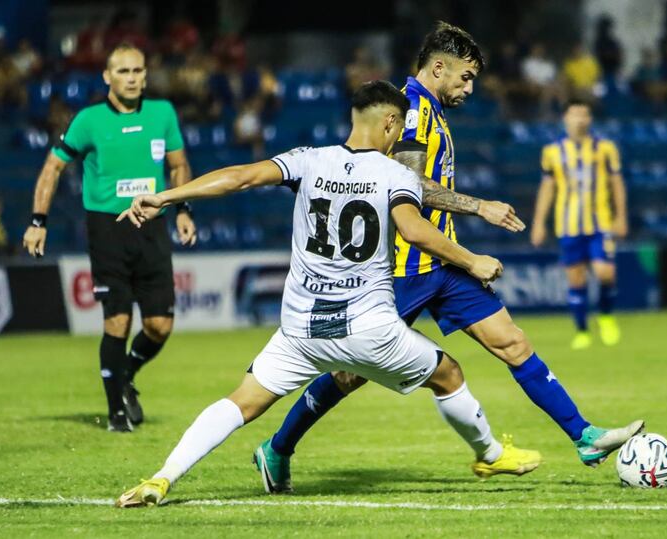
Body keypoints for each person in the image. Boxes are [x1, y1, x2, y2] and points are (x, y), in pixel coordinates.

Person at [252, 22, 644, 494]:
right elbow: (409, 188)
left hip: (443, 266)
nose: (470, 87)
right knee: (348, 374)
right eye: (465, 77)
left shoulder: (429, 109)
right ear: (438, 67)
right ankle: (277, 448)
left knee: (512, 343)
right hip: (400, 268)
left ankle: (584, 435)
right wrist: (480, 206)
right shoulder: (410, 111)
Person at [115, 80, 542, 507]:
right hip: (369, 329)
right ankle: (489, 455)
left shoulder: (309, 160)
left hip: (301, 329)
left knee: (241, 402)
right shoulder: (396, 174)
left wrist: (167, 197)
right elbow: (414, 230)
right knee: (448, 374)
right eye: (398, 128)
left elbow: (241, 177)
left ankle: (162, 478)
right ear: (390, 123)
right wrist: (471, 260)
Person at [22, 43, 197, 432]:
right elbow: (52, 168)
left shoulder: (162, 113)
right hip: (108, 230)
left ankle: (126, 376)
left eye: (138, 71)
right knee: (117, 321)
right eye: (123, 72)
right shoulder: (88, 120)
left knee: (159, 326)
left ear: (146, 75)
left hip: (152, 227)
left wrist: (183, 210)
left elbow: (179, 164)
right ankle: (116, 414)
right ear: (107, 77)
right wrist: (38, 220)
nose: (132, 78)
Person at [530, 99, 628, 350]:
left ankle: (605, 316)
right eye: (575, 114)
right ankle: (582, 330)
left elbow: (616, 183)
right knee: (576, 279)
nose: (580, 119)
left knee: (606, 273)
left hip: (600, 222)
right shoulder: (552, 152)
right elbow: (547, 188)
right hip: (568, 225)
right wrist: (539, 222)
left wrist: (621, 217)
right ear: (565, 118)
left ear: (590, 119)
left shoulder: (605, 148)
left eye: (584, 114)